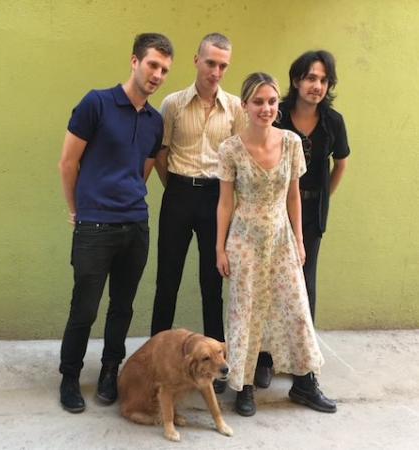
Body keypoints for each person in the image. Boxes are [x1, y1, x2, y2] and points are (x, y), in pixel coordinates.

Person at [57, 33, 174, 413]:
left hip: (135, 227)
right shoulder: (97, 103)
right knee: (85, 308)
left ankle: (110, 371)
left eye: (164, 70)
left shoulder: (155, 122)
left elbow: (142, 173)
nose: (157, 75)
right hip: (94, 227)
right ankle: (70, 376)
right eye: (152, 65)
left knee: (122, 307)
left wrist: (128, 203)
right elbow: (67, 163)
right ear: (135, 61)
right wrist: (77, 209)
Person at [216, 72, 336, 417]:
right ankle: (245, 386)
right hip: (245, 240)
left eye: (271, 101)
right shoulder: (230, 149)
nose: (266, 108)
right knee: (246, 313)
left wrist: (299, 240)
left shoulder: (291, 143)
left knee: (296, 308)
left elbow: (294, 196)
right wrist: (220, 248)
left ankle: (304, 383)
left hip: (282, 237)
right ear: (244, 105)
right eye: (258, 102)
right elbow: (225, 202)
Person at [150, 33, 246, 393]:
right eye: (210, 63)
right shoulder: (172, 104)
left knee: (211, 284)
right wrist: (175, 187)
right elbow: (161, 153)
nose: (216, 71)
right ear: (196, 60)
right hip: (177, 193)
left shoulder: (234, 107)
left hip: (215, 199)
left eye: (223, 65)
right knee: (167, 282)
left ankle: (217, 368)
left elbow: (238, 158)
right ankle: (156, 361)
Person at [256, 50, 350, 399]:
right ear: (296, 80)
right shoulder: (277, 114)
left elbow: (340, 164)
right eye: (311, 78)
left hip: (311, 216)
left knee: (303, 287)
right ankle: (264, 358)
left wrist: (323, 197)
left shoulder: (333, 122)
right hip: (274, 213)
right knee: (268, 285)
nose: (317, 86)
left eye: (323, 80)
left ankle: (302, 365)